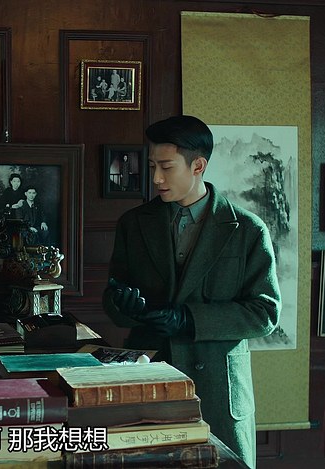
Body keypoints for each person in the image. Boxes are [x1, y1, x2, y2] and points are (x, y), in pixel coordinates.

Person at [102, 115, 280, 469]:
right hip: (151, 382)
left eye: (166, 167)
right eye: (152, 166)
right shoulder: (134, 224)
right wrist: (123, 306)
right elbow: (113, 300)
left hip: (218, 391)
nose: (156, 178)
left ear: (198, 166)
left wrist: (188, 319)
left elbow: (265, 314)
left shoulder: (248, 229)